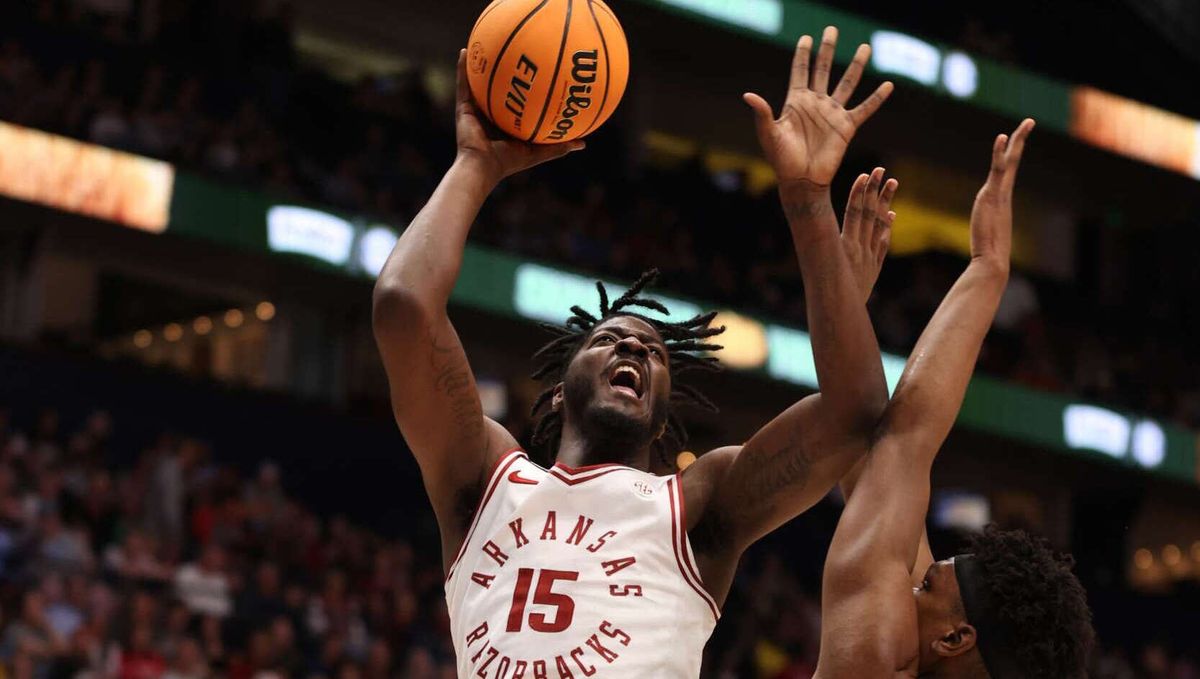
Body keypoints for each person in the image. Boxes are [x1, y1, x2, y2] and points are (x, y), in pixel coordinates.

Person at [373, 25, 898, 677]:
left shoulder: (695, 505)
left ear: (662, 412)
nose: (633, 343)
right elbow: (402, 307)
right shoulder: (485, 480)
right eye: (609, 338)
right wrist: (476, 166)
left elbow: (855, 412)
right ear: (561, 388)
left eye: (654, 352)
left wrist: (808, 204)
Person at [813, 119, 1096, 678]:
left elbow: (901, 442)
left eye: (924, 584)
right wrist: (844, 313)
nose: (907, 579)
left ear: (955, 637)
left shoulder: (877, 656)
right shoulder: (931, 648)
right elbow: (867, 465)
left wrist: (988, 265)